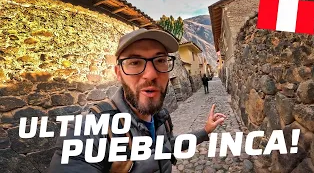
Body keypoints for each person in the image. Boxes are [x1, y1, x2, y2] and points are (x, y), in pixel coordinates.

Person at [48, 28, 226, 173]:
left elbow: (168, 145)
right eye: (134, 62)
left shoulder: (161, 117)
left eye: (160, 60)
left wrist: (205, 131)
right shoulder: (89, 130)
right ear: (118, 73)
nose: (150, 74)